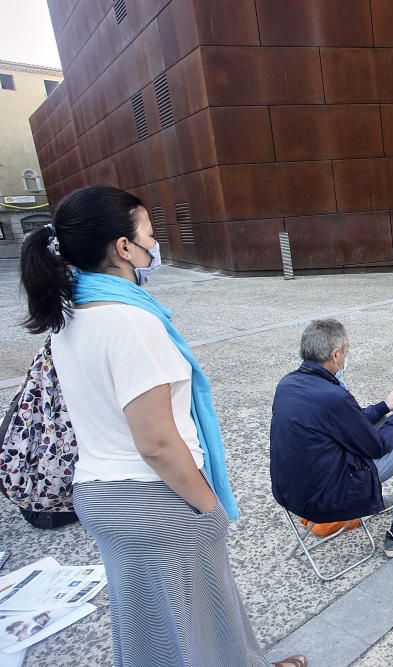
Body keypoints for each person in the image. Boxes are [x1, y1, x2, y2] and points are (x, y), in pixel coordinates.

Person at [20, 186, 300, 667]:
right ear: (123, 247)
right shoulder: (131, 323)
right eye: (149, 233)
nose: (156, 244)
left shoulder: (70, 318)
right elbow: (155, 442)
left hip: (101, 491)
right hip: (152, 496)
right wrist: (207, 503)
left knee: (152, 621)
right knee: (195, 619)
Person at [271, 319, 393, 558]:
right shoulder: (334, 396)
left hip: (291, 492)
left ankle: (377, 502)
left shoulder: (288, 384)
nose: (346, 358)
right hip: (327, 498)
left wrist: (386, 406)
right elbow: (378, 446)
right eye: (346, 351)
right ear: (336, 355)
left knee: (381, 421)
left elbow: (350, 421)